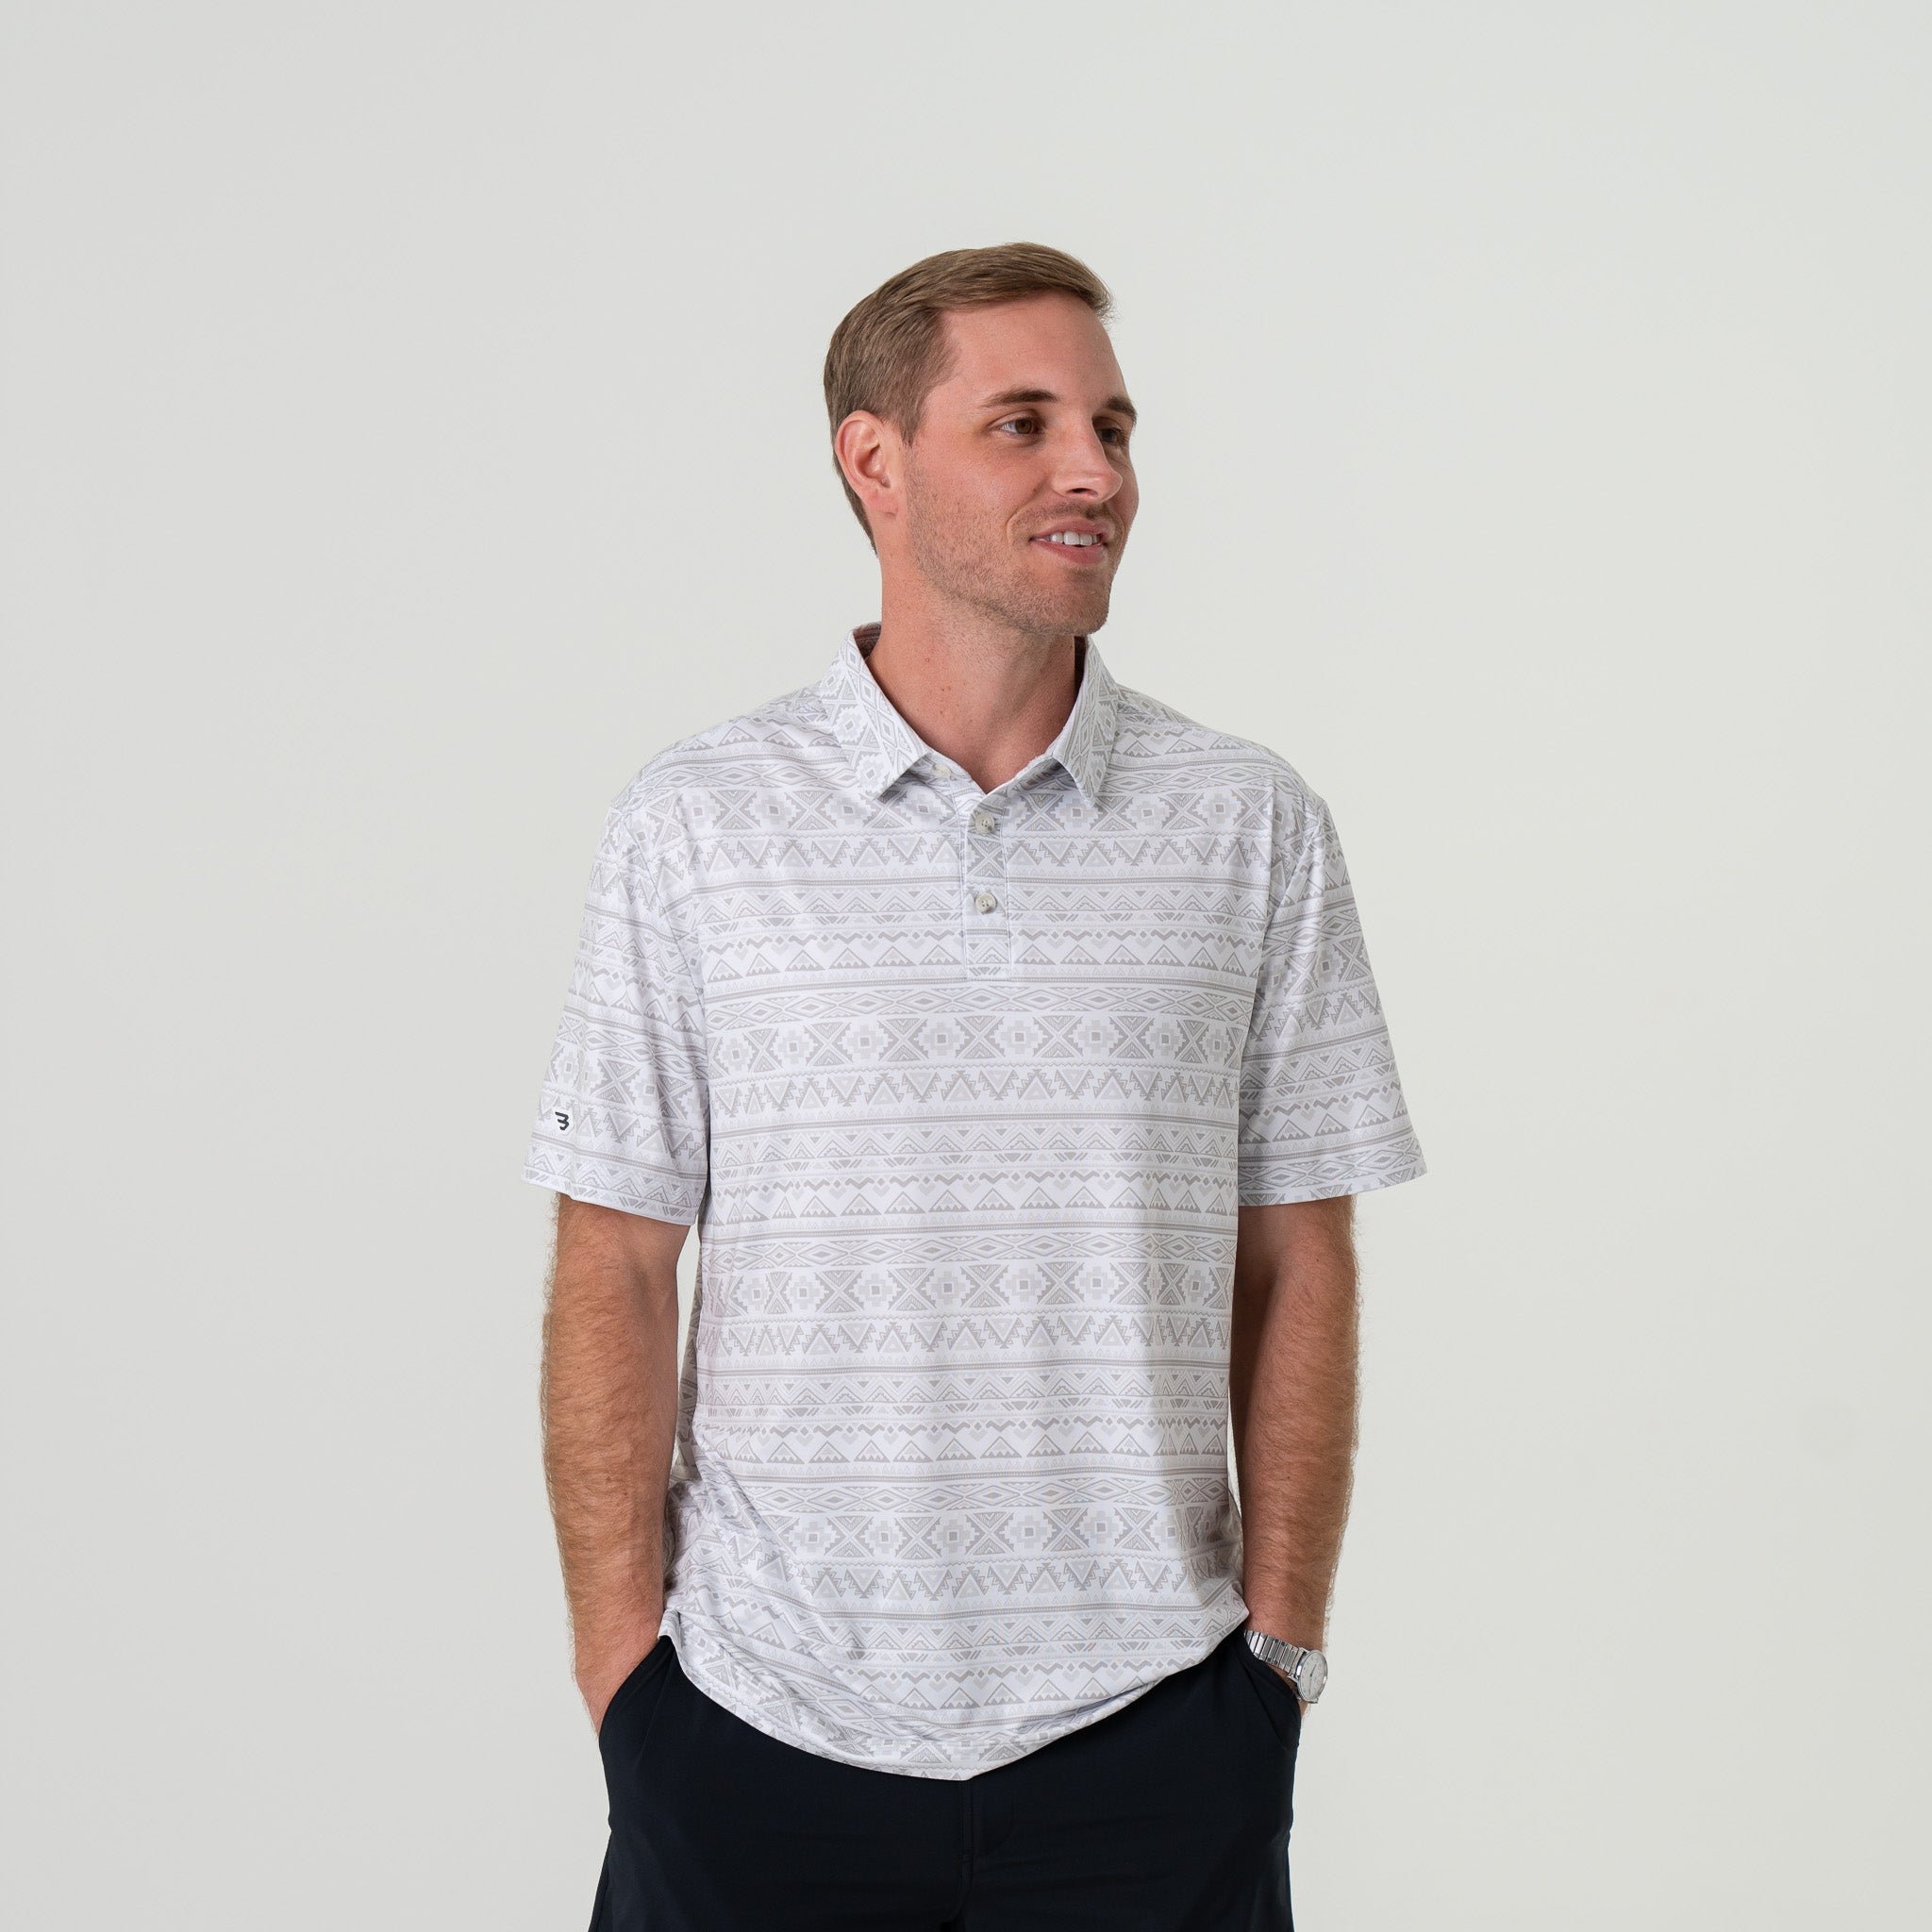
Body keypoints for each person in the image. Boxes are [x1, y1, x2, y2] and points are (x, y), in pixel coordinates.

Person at [525, 242, 1426, 1930]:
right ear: (875, 461)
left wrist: (1279, 1662)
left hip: (1156, 1741)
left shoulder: (1249, 824)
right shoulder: (697, 823)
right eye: (1024, 424)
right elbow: (617, 1262)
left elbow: (1299, 1258)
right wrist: (626, 1684)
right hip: (753, 1731)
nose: (1096, 471)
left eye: (1113, 428)